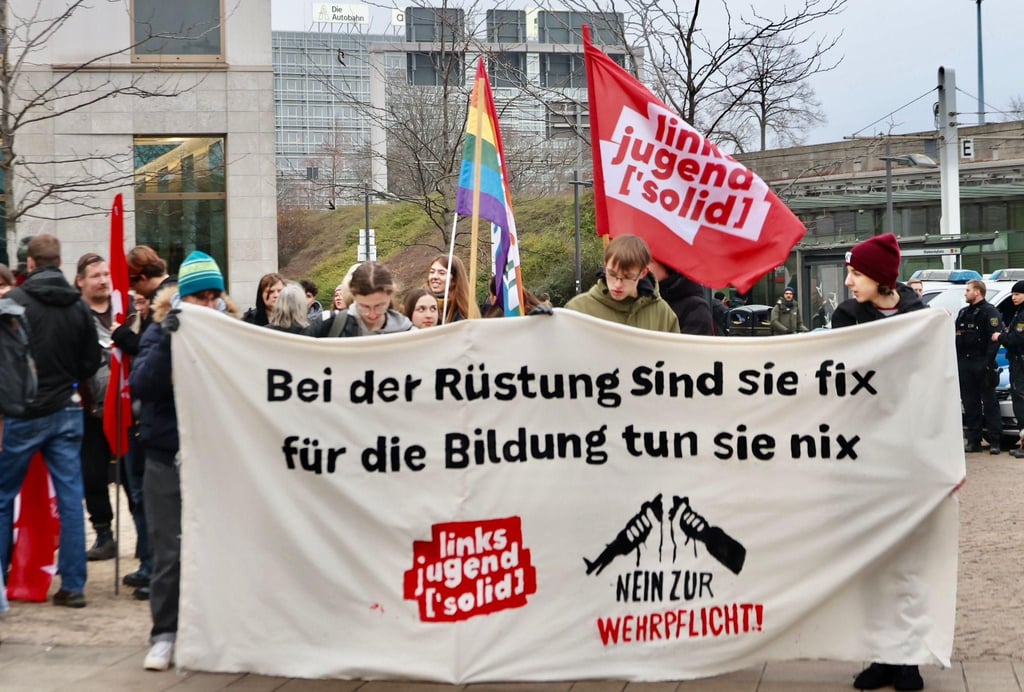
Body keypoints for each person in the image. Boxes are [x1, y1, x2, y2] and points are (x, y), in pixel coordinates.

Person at [130, 250, 240, 671]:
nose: (208, 303)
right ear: (182, 299)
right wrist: (170, 339)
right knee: (168, 551)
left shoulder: (232, 330)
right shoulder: (160, 331)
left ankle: (216, 630)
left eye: (215, 295)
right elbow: (143, 384)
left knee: (219, 547)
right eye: (200, 296)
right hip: (166, 456)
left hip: (216, 458)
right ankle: (164, 634)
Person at [830, 233, 926, 692]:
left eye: (856, 274)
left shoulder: (919, 319)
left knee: (906, 563)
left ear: (882, 279)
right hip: (863, 455)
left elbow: (936, 393)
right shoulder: (846, 317)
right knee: (871, 562)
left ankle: (907, 659)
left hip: (907, 458)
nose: (849, 282)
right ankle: (880, 657)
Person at [0, 234, 102, 608]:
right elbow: (92, 361)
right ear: (60, 263)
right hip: (67, 408)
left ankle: (3, 578)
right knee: (72, 499)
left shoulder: (13, 303)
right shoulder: (77, 307)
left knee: (2, 496)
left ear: (29, 264)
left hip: (24, 413)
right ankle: (73, 586)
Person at [75, 253, 132, 562]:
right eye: (96, 275)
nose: (103, 280)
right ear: (81, 281)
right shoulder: (76, 314)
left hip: (126, 406)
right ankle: (104, 533)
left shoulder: (127, 309)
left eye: (106, 274)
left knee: (133, 474)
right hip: (88, 409)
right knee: (93, 476)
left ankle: (143, 534)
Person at [564, 234, 680, 333]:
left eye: (627, 277)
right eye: (612, 274)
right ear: (605, 266)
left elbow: (674, 356)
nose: (617, 284)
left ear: (643, 273)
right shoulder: (577, 309)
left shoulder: (663, 314)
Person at [956, 278, 1003, 454]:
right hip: (966, 364)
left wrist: (987, 363)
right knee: (970, 404)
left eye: (968, 290)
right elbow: (957, 339)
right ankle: (973, 440)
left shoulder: (990, 312)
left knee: (990, 403)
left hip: (983, 363)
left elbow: (994, 340)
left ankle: (995, 440)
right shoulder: (963, 313)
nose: (965, 293)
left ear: (977, 292)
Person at [320, 262, 412, 337]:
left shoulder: (408, 331)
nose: (372, 315)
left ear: (390, 295)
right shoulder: (329, 324)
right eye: (364, 306)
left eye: (379, 306)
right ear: (353, 296)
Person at [993, 281, 1024, 458]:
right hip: (1016, 361)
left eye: (1017, 294)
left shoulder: (1022, 315)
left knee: (1020, 402)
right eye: (1012, 295)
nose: (1014, 298)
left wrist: (1000, 337)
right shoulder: (1019, 313)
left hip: (1021, 363)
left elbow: (1016, 339)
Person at [647, 259, 713, 335]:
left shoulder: (695, 307)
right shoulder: (640, 298)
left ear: (666, 265)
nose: (642, 267)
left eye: (649, 261)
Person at [426, 255, 479, 323]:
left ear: (454, 279)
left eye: (441, 273)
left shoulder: (464, 314)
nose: (434, 277)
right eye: (432, 272)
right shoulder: (420, 304)